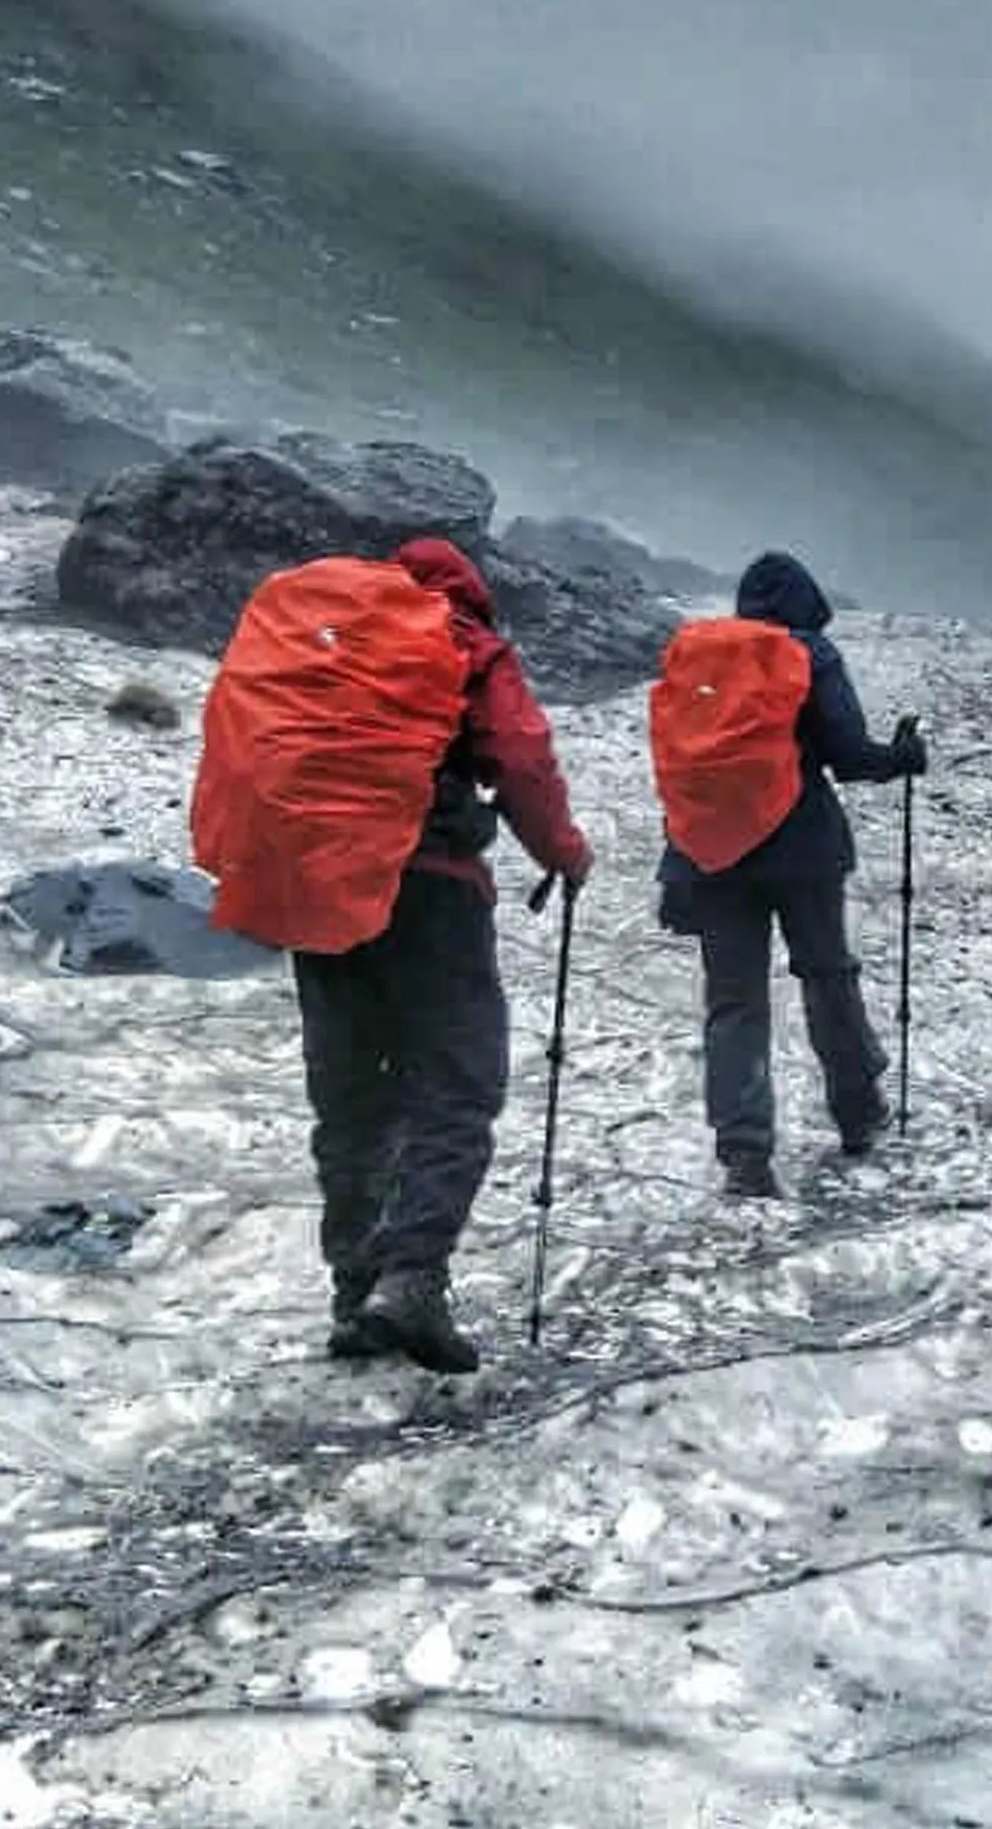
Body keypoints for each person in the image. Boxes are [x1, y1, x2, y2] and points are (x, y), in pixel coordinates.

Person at [299, 538, 593, 1376]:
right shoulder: (463, 640)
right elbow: (521, 759)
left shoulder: (327, 643)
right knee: (457, 1086)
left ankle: (356, 1292)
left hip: (321, 892)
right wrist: (564, 853)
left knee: (351, 1098)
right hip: (430, 891)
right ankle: (411, 1281)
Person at [655, 551, 925, 1197]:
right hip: (803, 849)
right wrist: (903, 756)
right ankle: (857, 1112)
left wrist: (677, 864)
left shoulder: (702, 661)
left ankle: (744, 1153)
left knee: (734, 1002)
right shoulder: (811, 655)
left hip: (716, 856)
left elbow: (683, 771)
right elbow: (850, 756)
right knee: (828, 977)